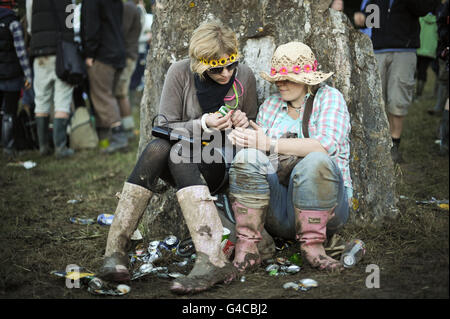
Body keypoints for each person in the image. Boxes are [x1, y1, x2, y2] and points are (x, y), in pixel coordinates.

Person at [97, 21, 258, 294]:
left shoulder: (245, 75)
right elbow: (163, 126)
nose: (226, 73)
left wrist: (243, 121)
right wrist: (203, 124)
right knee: (158, 147)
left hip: (221, 162)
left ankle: (212, 258)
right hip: (179, 158)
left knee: (175, 151)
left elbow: (254, 126)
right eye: (216, 68)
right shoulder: (180, 72)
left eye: (231, 65)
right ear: (198, 63)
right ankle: (115, 252)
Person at [227, 42, 352, 273]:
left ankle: (313, 247)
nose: (281, 83)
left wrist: (270, 143)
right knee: (247, 157)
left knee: (315, 160)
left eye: (290, 78)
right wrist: (249, 139)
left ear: (308, 79)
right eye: (278, 78)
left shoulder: (329, 98)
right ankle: (248, 246)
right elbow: (262, 158)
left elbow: (325, 146)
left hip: (328, 209)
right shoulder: (271, 105)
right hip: (281, 211)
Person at [357, 0, 440, 164]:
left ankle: (394, 143)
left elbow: (425, 8)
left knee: (398, 99)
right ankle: (376, 141)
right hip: (376, 50)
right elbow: (367, 23)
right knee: (375, 100)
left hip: (404, 50)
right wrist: (362, 24)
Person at [27, 0, 76, 158]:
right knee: (62, 99)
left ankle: (43, 147)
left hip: (40, 52)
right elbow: (70, 22)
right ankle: (60, 148)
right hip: (61, 52)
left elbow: (30, 26)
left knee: (41, 99)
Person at [81, 0, 128, 154]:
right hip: (118, 51)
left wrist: (89, 53)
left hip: (102, 54)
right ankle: (105, 138)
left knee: (102, 96)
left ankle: (118, 137)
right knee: (109, 95)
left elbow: (91, 26)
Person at [0, 0, 32, 157]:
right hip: (12, 75)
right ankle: (8, 147)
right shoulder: (13, 22)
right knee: (9, 113)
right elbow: (21, 52)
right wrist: (28, 74)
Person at [115, 0, 141, 139]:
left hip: (127, 55)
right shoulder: (133, 8)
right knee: (121, 92)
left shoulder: (128, 7)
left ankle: (128, 129)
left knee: (120, 92)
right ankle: (127, 127)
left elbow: (121, 31)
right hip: (129, 55)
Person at [429, 0, 449, 116]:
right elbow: (441, 25)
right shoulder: (445, 6)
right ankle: (439, 107)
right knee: (443, 78)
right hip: (445, 48)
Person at [416, 13, 438, 99]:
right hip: (430, 51)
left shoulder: (420, 18)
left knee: (414, 71)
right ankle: (419, 94)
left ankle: (412, 93)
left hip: (418, 48)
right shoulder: (437, 21)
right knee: (423, 71)